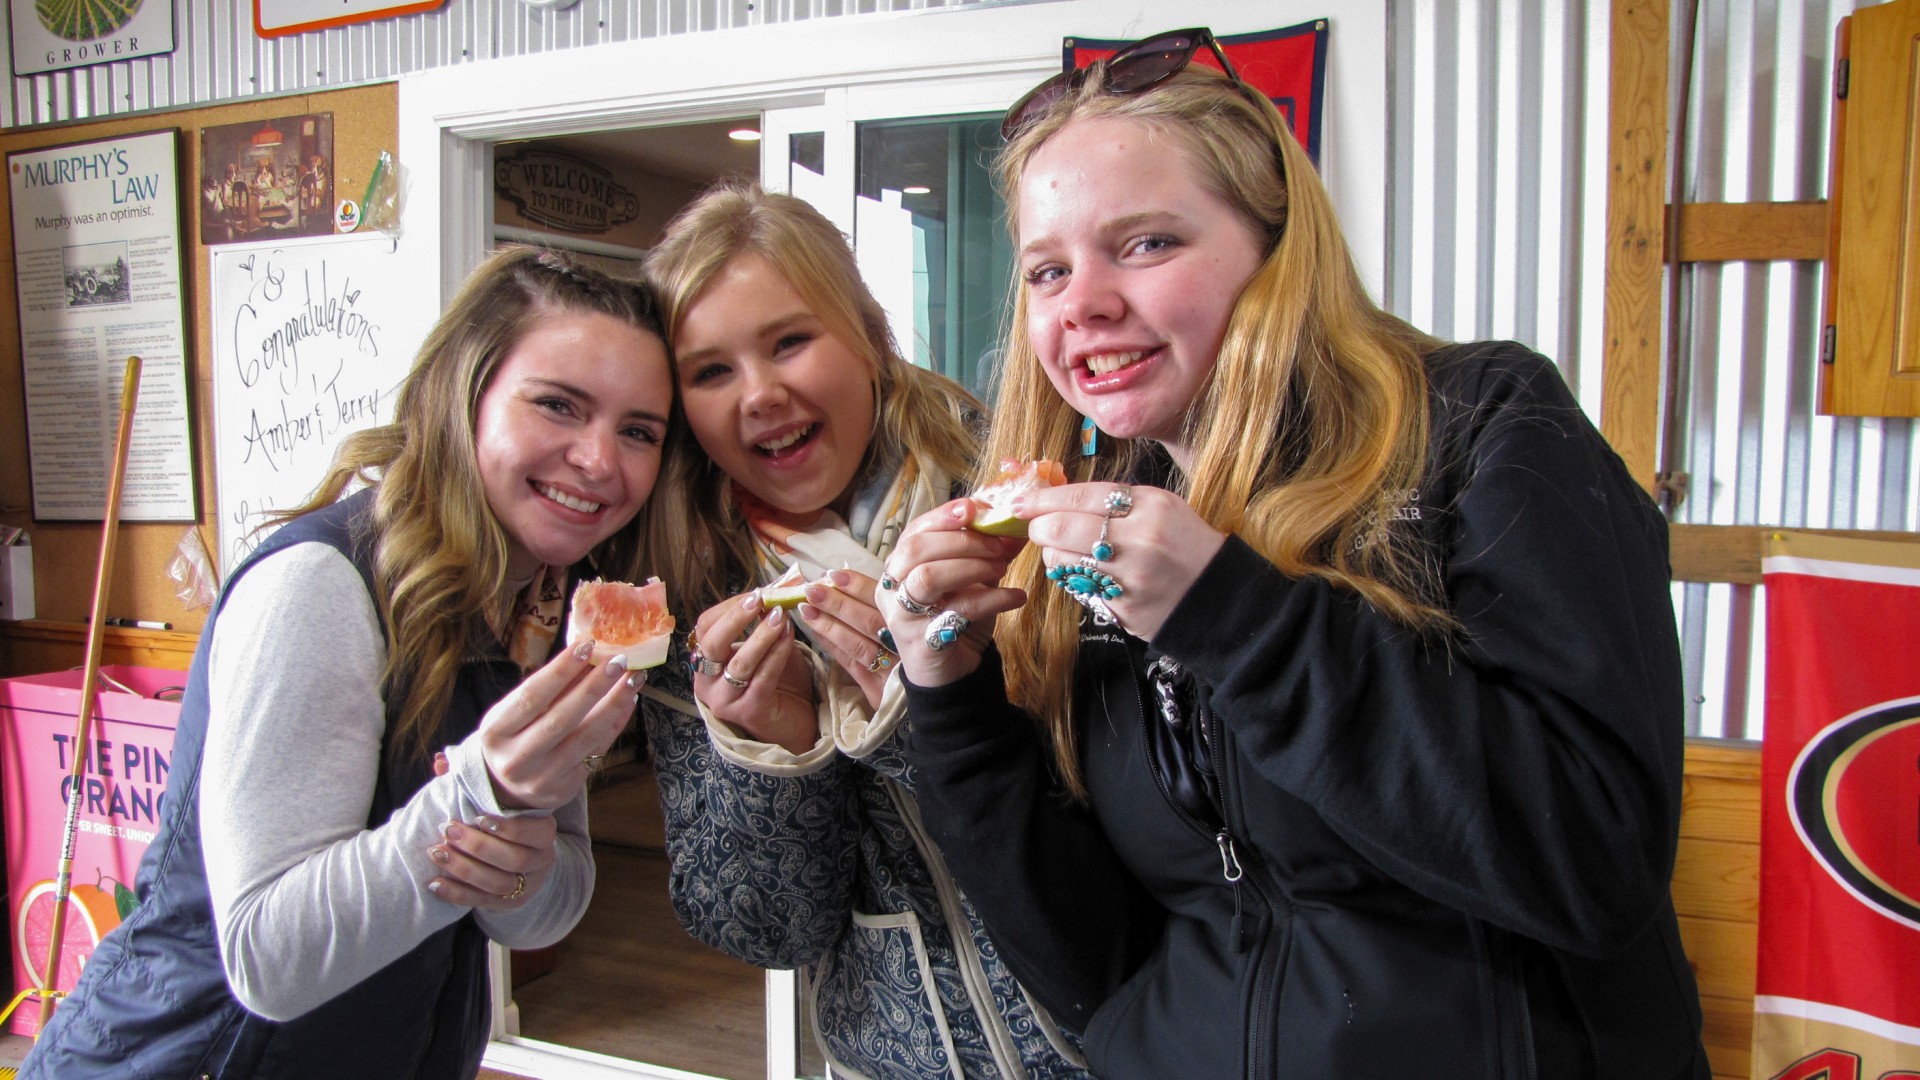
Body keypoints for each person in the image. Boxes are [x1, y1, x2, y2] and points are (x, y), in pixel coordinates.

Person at [880, 29, 1713, 1080]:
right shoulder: (1081, 526)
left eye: (1144, 244)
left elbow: (1598, 861)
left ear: (1278, 248)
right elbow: (1091, 963)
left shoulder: (1485, 427)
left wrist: (1241, 619)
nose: (1081, 302)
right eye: (1048, 268)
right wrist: (947, 691)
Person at [24, 246, 674, 1079]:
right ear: (461, 398)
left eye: (638, 432)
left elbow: (543, 913)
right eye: (557, 405)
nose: (600, 461)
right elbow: (268, 960)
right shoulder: (321, 589)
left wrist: (521, 867)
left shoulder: (547, 603)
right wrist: (481, 797)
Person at [637, 179, 1090, 1078]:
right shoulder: (690, 605)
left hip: (1123, 1034)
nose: (761, 395)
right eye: (711, 371)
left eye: (791, 341)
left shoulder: (1020, 495)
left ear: (869, 335)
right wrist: (777, 753)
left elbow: (1148, 813)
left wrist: (934, 707)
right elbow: (765, 928)